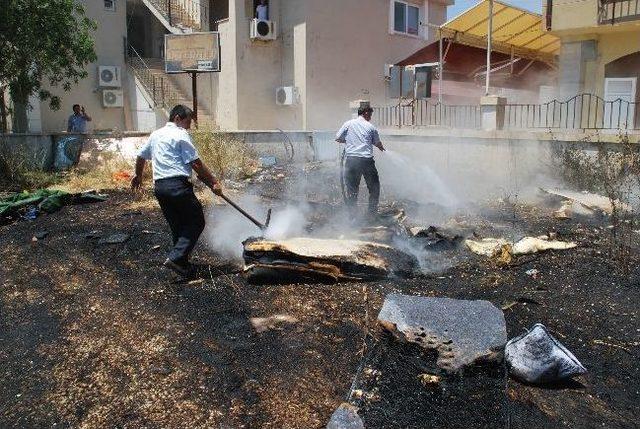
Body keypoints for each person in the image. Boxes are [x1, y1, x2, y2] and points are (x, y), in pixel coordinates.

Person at [131, 105, 222, 278]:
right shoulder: (180, 134)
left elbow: (141, 156)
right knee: (196, 222)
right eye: (188, 122)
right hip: (178, 186)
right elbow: (195, 163)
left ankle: (182, 265)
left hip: (160, 188)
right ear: (178, 118)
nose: (189, 127)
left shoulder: (156, 134)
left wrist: (138, 175)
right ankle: (175, 258)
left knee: (178, 226)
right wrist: (213, 182)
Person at [335, 106, 385, 219]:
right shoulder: (371, 127)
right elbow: (377, 143)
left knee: (352, 189)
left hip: (352, 160)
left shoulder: (348, 124)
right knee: (374, 188)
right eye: (370, 115)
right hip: (366, 161)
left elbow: (338, 138)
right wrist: (382, 149)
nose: (370, 117)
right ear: (365, 113)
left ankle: (352, 216)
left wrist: (348, 141)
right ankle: (371, 215)